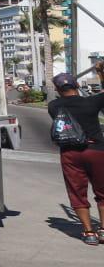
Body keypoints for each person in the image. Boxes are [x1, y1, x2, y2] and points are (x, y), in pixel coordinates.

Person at [49, 63, 104, 245]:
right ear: (77, 85)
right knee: (102, 192)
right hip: (96, 150)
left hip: (70, 153)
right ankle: (103, 231)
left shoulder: (53, 106)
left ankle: (89, 233)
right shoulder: (92, 102)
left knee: (77, 192)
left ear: (57, 89)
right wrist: (100, 72)